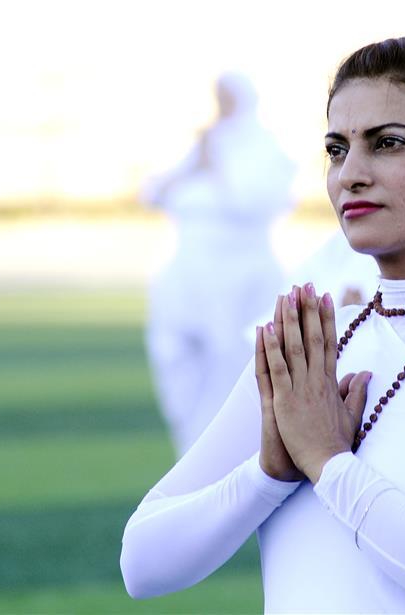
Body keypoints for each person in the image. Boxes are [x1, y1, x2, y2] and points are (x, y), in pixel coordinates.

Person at [121, 36, 405, 614]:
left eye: (388, 144)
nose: (351, 174)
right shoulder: (312, 343)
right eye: (337, 149)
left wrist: (328, 465)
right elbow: (143, 562)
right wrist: (269, 473)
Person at [140, 71, 296, 457]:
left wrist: (216, 165)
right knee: (172, 351)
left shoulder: (262, 146)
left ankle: (227, 454)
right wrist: (200, 161)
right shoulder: (208, 141)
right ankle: (191, 447)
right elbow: (153, 192)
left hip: (240, 274)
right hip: (189, 272)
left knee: (231, 365)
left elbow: (253, 201)